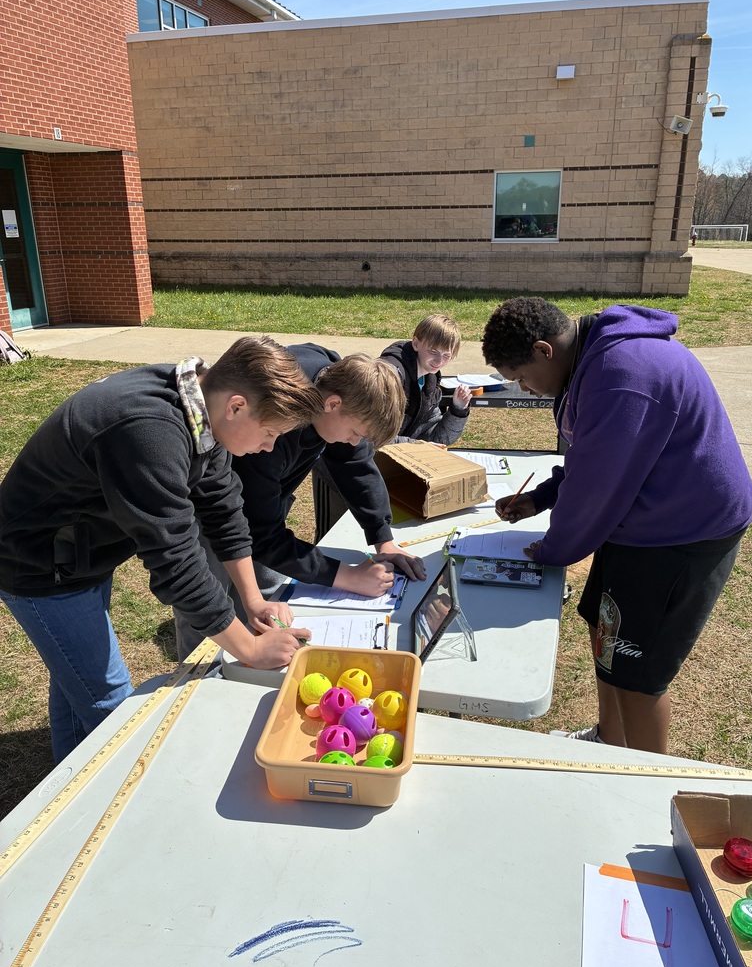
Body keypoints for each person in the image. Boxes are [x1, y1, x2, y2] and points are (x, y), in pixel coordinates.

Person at [0, 336, 322, 762]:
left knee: (74, 677)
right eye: (270, 433)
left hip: (80, 553)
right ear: (238, 406)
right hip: (37, 566)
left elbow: (223, 509)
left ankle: (67, 775)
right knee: (110, 703)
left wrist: (253, 599)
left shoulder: (199, 409)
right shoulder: (148, 429)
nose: (268, 447)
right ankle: (102, 799)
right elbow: (177, 563)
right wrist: (250, 649)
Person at [482, 297, 752, 755]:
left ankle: (646, 783)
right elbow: (594, 457)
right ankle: (608, 742)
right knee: (606, 631)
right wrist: (542, 498)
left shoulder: (621, 375)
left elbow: (597, 489)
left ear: (544, 350)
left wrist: (552, 549)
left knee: (638, 674)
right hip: (645, 518)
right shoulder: (593, 359)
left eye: (522, 378)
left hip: (685, 533)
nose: (525, 390)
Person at [174, 345, 427, 661]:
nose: (353, 442)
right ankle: (196, 673)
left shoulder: (341, 383)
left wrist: (383, 539)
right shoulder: (272, 429)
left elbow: (355, 464)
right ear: (332, 404)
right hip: (214, 508)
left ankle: (248, 659)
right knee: (206, 605)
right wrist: (348, 576)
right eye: (353, 433)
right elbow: (259, 534)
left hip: (265, 505)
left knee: (270, 597)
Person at [379, 312, 472, 444]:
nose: (439, 361)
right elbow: (372, 436)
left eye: (447, 355)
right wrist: (415, 446)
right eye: (433, 352)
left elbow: (437, 438)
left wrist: (458, 410)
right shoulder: (389, 377)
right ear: (416, 343)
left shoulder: (429, 382)